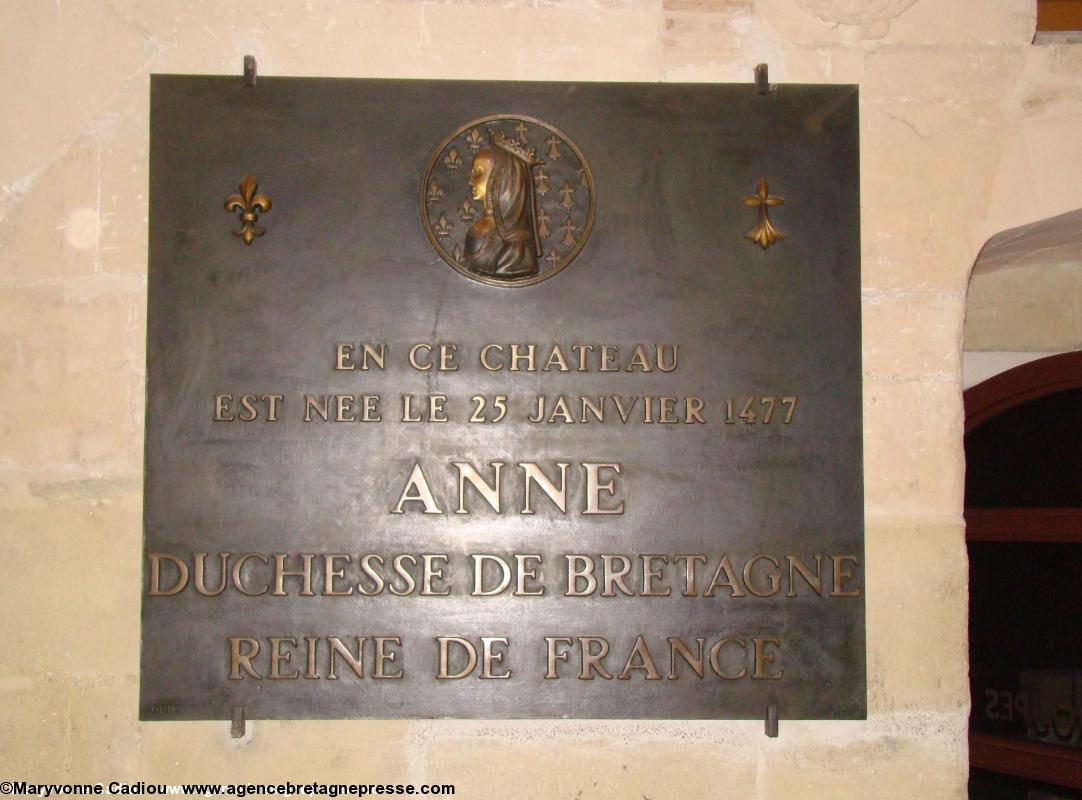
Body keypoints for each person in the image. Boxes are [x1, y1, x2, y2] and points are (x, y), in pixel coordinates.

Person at [463, 129, 543, 279]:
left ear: (501, 179)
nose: (471, 181)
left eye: (478, 172)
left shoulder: (517, 249)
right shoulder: (484, 230)